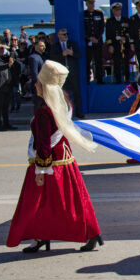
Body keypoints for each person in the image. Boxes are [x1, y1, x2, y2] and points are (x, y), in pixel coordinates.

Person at [7, 60, 103, 252]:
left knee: (35, 203)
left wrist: (41, 169)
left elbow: (43, 143)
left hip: (49, 163)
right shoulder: (64, 101)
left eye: (38, 83)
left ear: (44, 86)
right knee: (74, 199)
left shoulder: (44, 110)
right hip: (64, 159)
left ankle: (40, 236)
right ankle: (90, 232)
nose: (34, 85)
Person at [51, 28, 83, 119]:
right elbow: (52, 58)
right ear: (59, 35)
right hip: (61, 73)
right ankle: (65, 113)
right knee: (63, 93)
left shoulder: (72, 44)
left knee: (76, 92)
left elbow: (79, 55)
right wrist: (62, 54)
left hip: (72, 71)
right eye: (63, 34)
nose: (66, 36)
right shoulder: (55, 46)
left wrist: (71, 53)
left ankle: (79, 113)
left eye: (66, 34)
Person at [0, 42, 17, 131]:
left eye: (2, 49)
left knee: (5, 107)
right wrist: (8, 65)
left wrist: (9, 48)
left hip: (7, 86)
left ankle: (6, 123)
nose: (2, 50)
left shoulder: (4, 58)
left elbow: (13, 56)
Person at [105, 2, 130, 84]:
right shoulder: (110, 21)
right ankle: (118, 79)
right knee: (117, 62)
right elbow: (108, 35)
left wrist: (125, 37)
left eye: (119, 10)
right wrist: (110, 45)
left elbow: (130, 31)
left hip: (125, 44)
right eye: (116, 10)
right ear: (113, 11)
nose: (118, 11)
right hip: (115, 44)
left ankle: (126, 78)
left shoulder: (126, 20)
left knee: (126, 61)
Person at [83, 0, 105, 83]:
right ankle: (87, 80)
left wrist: (97, 38)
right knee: (87, 62)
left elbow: (102, 27)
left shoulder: (99, 13)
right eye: (90, 3)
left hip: (97, 42)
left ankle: (100, 79)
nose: (92, 5)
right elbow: (83, 28)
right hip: (87, 42)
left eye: (93, 3)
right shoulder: (84, 14)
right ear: (86, 4)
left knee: (98, 61)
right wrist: (89, 38)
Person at [28, 40, 46, 110]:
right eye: (41, 46)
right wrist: (38, 86)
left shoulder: (42, 57)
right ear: (35, 46)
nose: (43, 47)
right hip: (38, 87)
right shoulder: (33, 57)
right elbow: (34, 74)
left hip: (44, 85)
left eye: (44, 46)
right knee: (38, 106)